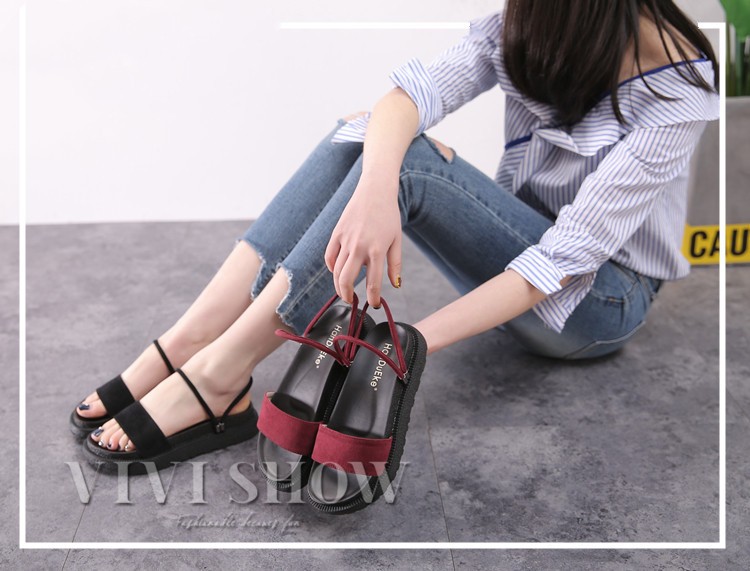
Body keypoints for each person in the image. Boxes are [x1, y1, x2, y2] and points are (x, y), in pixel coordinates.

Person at [73, 0, 718, 493]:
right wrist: (376, 190)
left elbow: (557, 265)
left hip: (595, 302)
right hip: (520, 249)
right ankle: (192, 342)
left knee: (409, 162)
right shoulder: (539, 23)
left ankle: (218, 377)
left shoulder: (679, 93)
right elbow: (405, 98)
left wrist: (398, 346)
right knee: (361, 134)